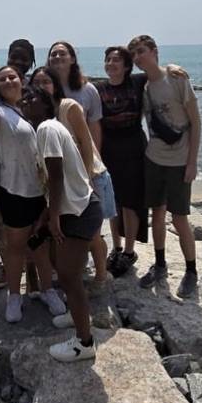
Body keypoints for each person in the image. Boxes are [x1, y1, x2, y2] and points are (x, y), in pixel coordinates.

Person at [0, 66, 67, 322]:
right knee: (16, 247)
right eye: (3, 78)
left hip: (41, 190)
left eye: (12, 77)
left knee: (41, 246)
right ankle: (15, 296)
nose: (7, 80)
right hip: (13, 190)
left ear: (21, 80)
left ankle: (47, 290)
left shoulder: (31, 107)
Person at [18, 84, 101, 362]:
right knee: (60, 264)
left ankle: (84, 343)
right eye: (23, 99)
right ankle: (76, 316)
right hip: (74, 209)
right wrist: (48, 215)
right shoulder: (46, 129)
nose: (26, 102)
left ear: (46, 104)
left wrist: (53, 217)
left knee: (68, 277)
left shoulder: (47, 129)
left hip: (78, 212)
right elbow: (53, 180)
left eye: (32, 98)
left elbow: (55, 176)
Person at [128, 35, 201, 298]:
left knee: (180, 218)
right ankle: (160, 265)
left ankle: (191, 271)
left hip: (180, 161)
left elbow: (196, 123)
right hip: (154, 158)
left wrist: (192, 162)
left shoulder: (177, 79)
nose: (137, 57)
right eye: (134, 53)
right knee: (156, 214)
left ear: (154, 51)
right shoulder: (143, 86)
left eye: (141, 51)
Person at [30, 66, 115, 288]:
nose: (41, 86)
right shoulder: (39, 115)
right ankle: (75, 273)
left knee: (92, 235)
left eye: (46, 81)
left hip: (89, 175)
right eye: (36, 82)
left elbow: (87, 145)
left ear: (55, 86)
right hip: (67, 181)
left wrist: (87, 180)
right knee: (73, 235)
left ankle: (100, 277)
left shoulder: (68, 107)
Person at [96, 46, 147, 275]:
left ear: (127, 66)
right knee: (112, 202)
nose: (111, 63)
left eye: (116, 60)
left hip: (134, 149)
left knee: (131, 202)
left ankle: (129, 251)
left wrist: (175, 69)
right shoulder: (98, 88)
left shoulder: (137, 82)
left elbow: (158, 72)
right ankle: (116, 247)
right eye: (108, 60)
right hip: (109, 150)